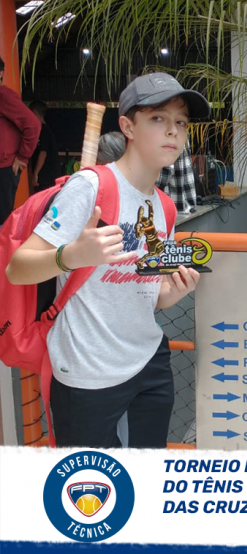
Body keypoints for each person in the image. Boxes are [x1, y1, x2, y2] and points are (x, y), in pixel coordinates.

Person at [6, 72, 211, 448]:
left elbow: (149, 294)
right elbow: (17, 268)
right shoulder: (90, 188)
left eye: (181, 122)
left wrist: (174, 291)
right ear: (128, 127)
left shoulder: (164, 207)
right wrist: (71, 256)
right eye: (158, 118)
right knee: (92, 479)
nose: (173, 131)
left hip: (149, 362)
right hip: (87, 368)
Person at [0, 56, 41, 224]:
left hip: (4, 168)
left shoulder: (3, 95)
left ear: (1, 74)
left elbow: (33, 124)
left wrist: (23, 157)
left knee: (2, 219)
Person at [29, 100, 62, 193]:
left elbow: (43, 153)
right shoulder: (41, 129)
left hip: (47, 174)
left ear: (34, 112)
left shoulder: (44, 130)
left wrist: (36, 173)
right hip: (45, 174)